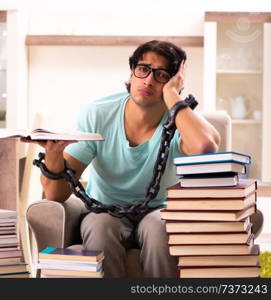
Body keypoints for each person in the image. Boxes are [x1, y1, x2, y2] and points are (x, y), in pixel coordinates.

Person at [23, 40, 220, 278]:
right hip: (106, 209)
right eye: (143, 69)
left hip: (160, 210)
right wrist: (53, 157)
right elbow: (57, 195)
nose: (148, 80)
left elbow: (205, 147)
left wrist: (172, 97)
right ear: (132, 72)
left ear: (174, 82)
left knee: (160, 227)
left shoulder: (180, 119)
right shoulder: (98, 113)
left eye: (161, 75)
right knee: (100, 226)